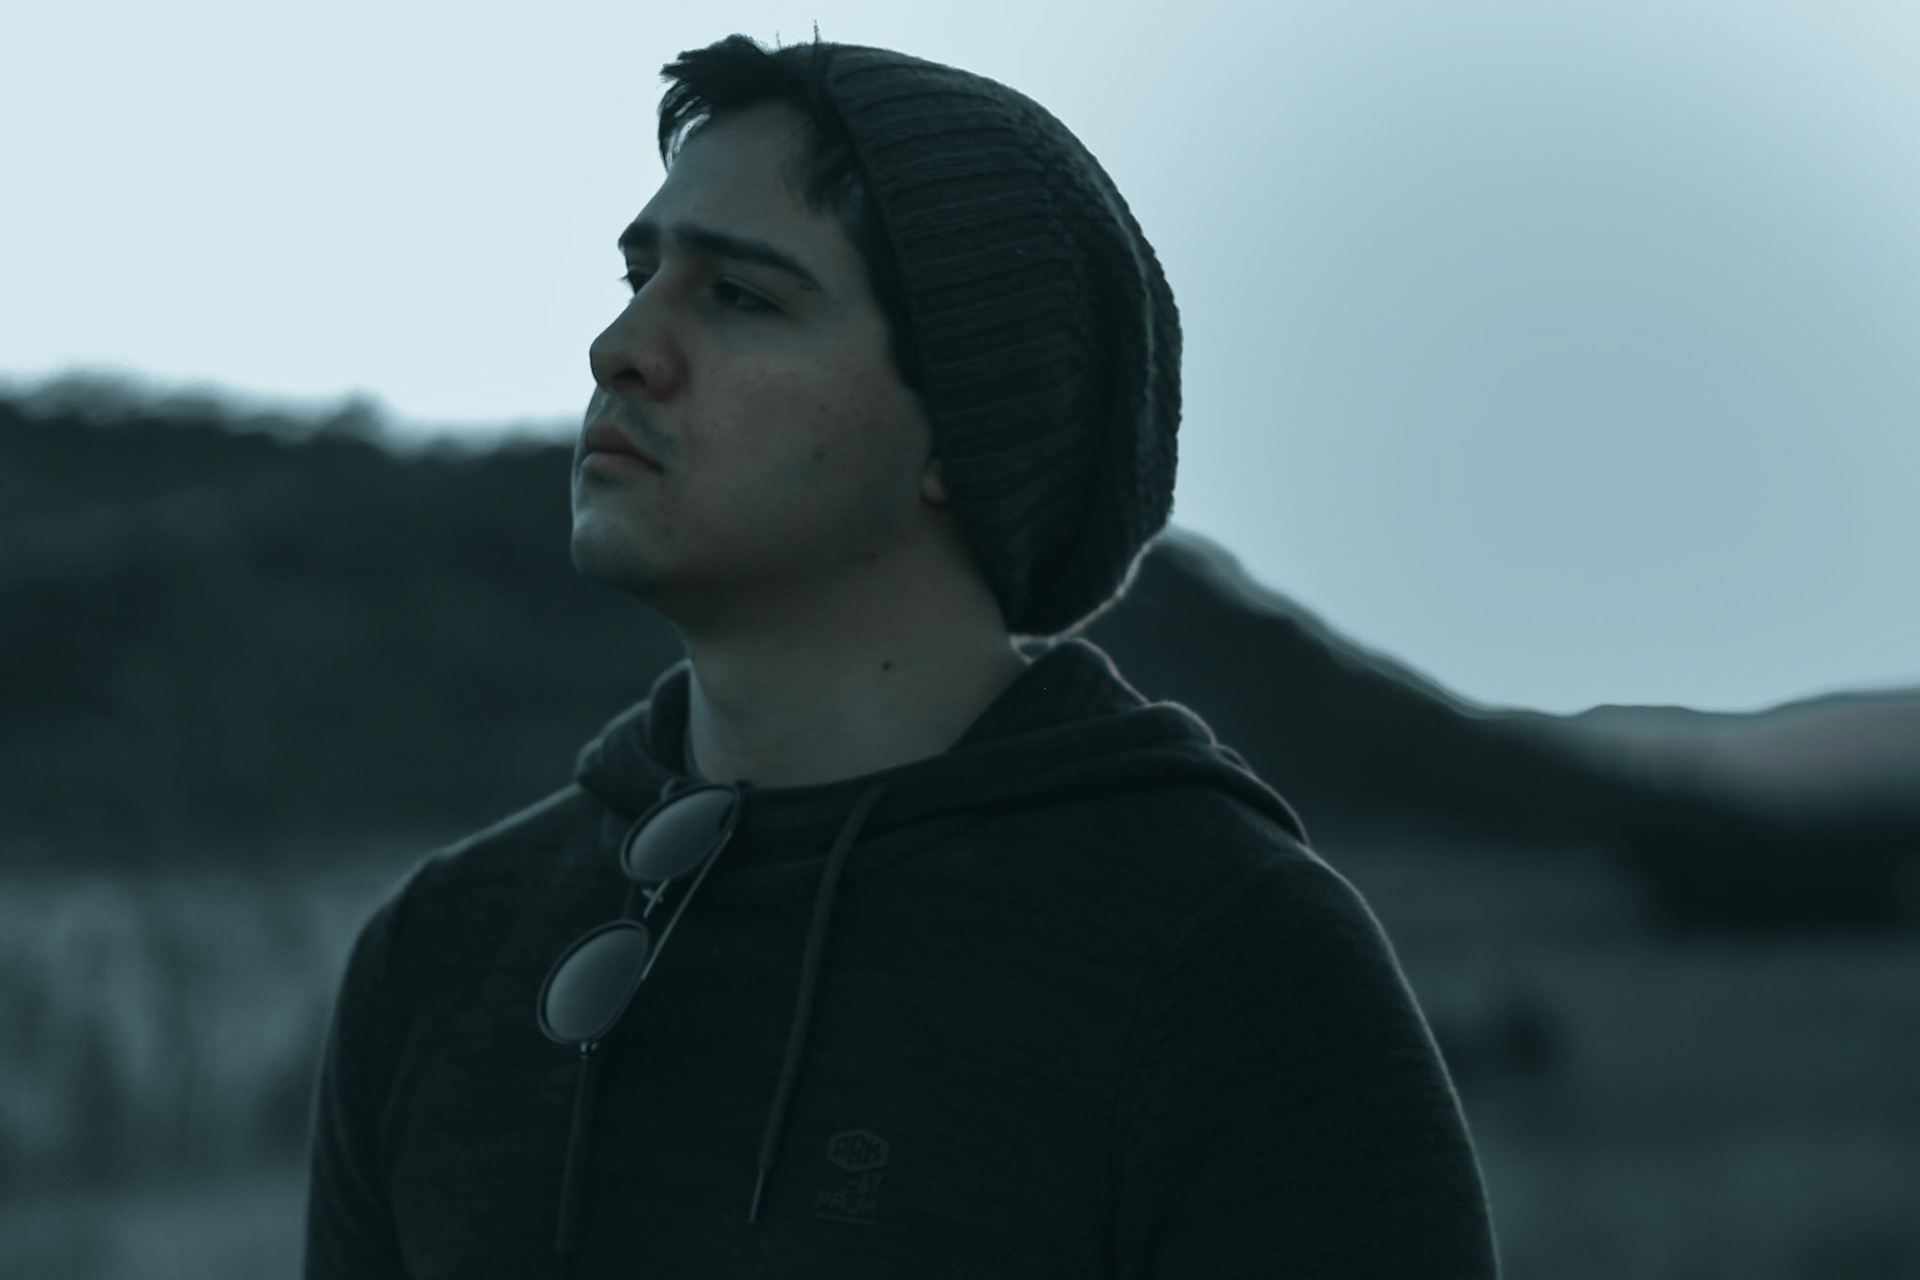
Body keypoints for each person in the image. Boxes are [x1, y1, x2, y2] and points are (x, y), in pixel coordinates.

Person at [304, 33, 1499, 1279]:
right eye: (640, 275)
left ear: (960, 427)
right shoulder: (443, 951)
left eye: (739, 295)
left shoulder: (1225, 961)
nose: (621, 345)